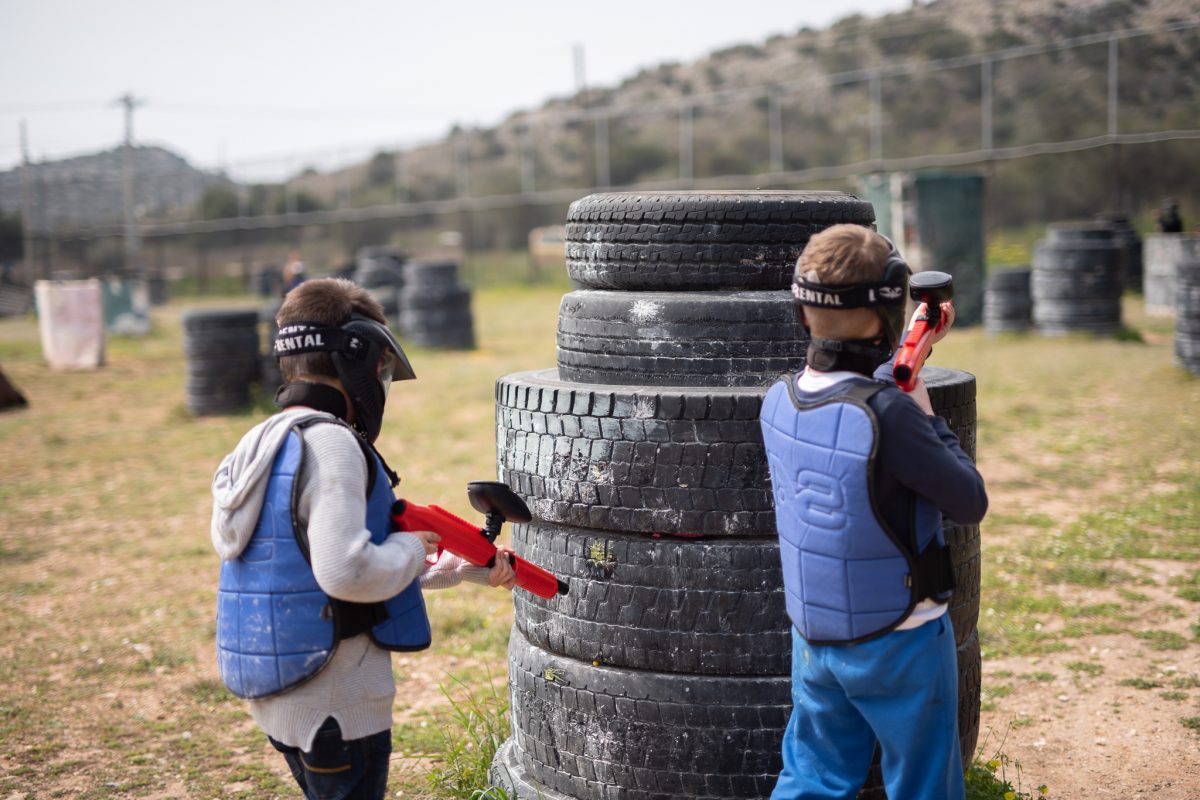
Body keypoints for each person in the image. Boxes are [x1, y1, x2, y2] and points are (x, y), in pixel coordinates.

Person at [210, 276, 515, 799]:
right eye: (380, 369)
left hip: (284, 698)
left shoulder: (262, 440)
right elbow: (348, 573)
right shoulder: (332, 446)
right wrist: (413, 545)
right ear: (355, 358)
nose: (381, 384)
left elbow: (307, 569)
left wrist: (456, 568)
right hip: (338, 705)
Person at [759, 225, 988, 800]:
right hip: (901, 639)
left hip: (816, 638)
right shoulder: (894, 414)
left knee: (812, 778)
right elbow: (968, 499)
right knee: (922, 784)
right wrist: (924, 405)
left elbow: (849, 411)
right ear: (891, 304)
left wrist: (913, 357)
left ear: (802, 309)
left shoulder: (779, 397)